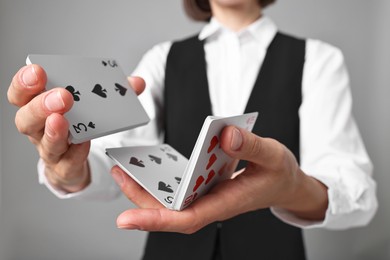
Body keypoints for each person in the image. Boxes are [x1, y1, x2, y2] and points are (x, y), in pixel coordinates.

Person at [7, 0, 378, 259]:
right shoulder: (162, 58)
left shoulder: (319, 59)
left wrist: (295, 187)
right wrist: (70, 169)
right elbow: (117, 155)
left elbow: (356, 194)